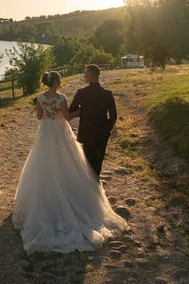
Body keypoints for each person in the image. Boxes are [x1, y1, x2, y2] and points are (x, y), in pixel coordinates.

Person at [12, 70, 127, 254]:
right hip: (59, 133)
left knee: (43, 164)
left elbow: (39, 117)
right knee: (67, 163)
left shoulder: (40, 97)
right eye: (60, 79)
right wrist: (80, 111)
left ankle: (42, 196)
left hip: (45, 134)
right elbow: (67, 117)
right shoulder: (62, 98)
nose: (61, 81)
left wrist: (47, 111)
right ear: (56, 81)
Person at [68, 64, 117, 179]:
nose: (84, 75)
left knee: (88, 163)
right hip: (102, 133)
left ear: (90, 75)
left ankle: (90, 189)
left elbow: (71, 111)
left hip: (86, 131)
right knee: (98, 162)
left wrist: (80, 111)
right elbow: (113, 116)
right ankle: (96, 187)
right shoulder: (107, 94)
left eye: (85, 73)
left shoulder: (81, 93)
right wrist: (107, 130)